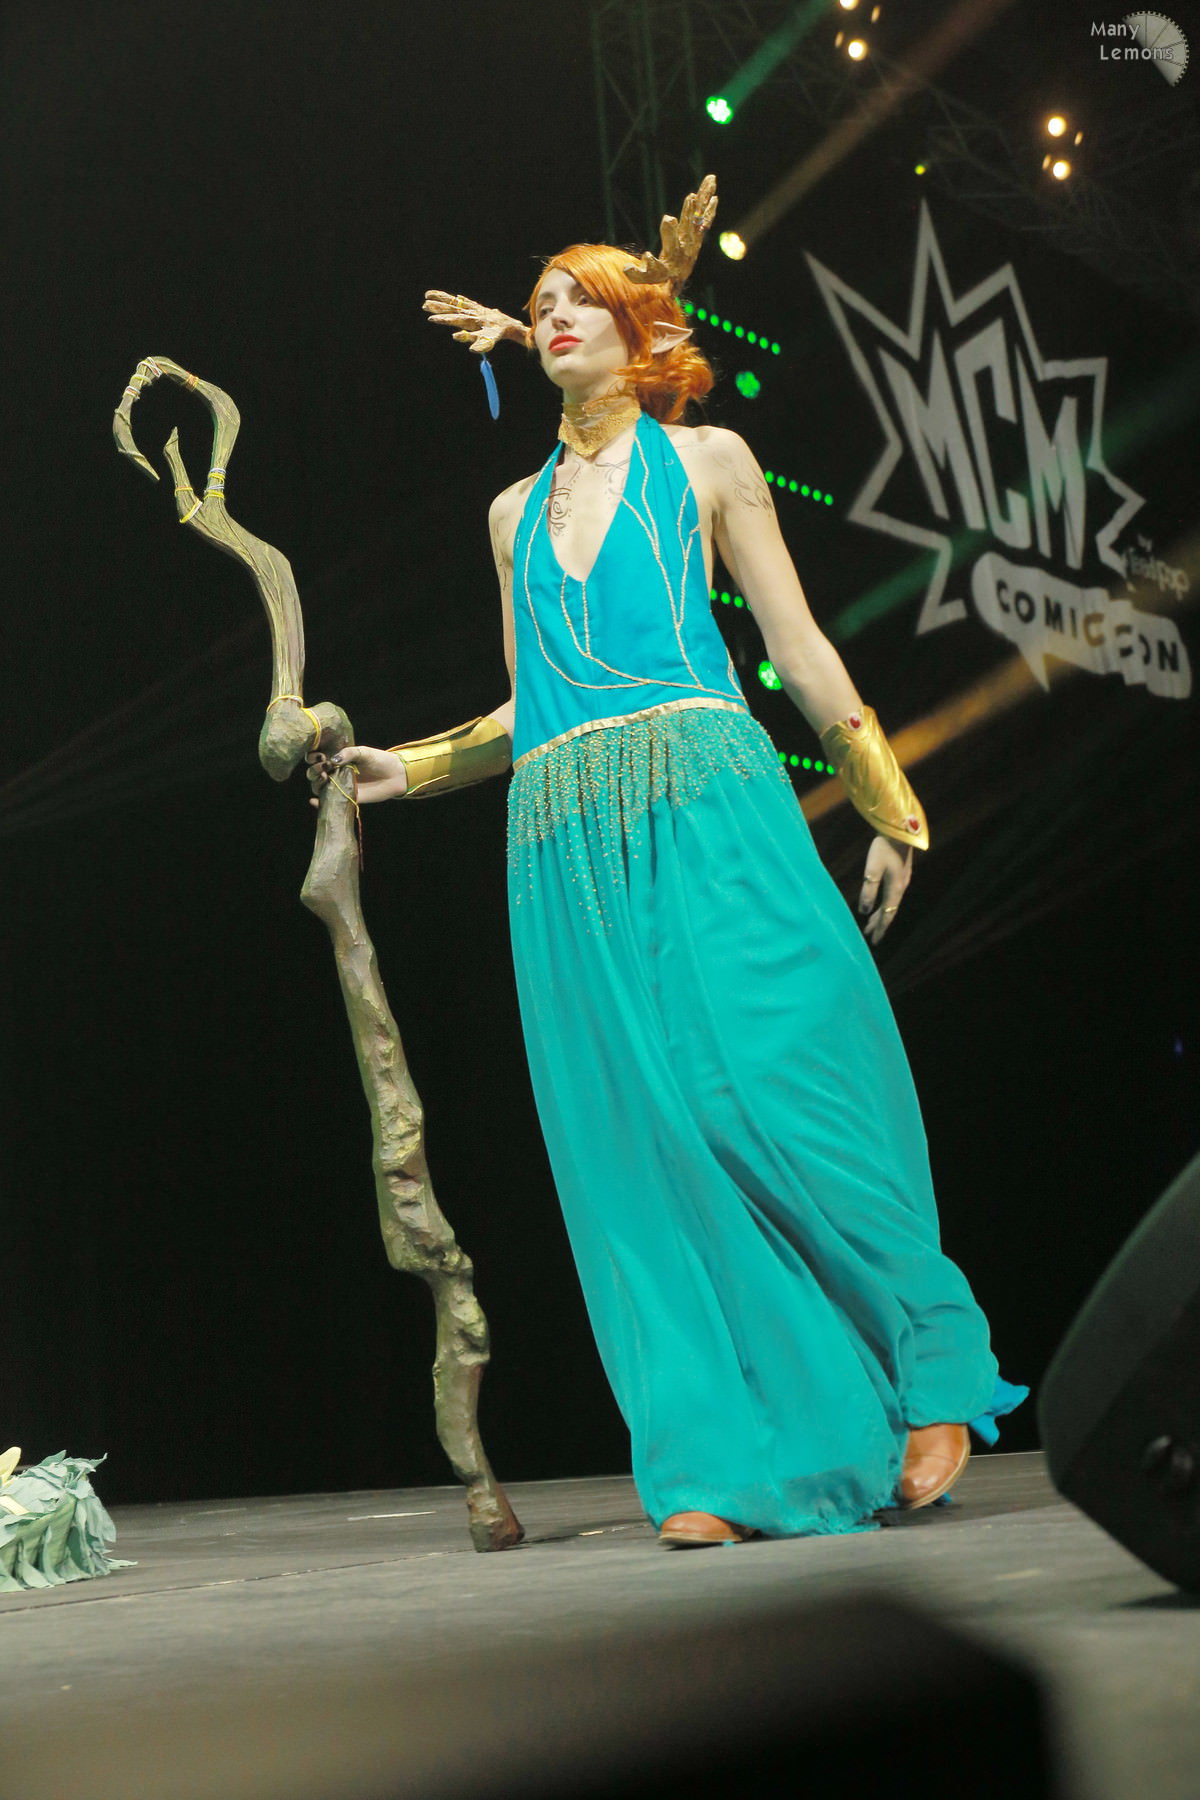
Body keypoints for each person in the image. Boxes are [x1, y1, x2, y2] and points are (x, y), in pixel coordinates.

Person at [312, 179, 1020, 1546]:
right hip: (566, 844)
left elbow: (796, 645)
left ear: (640, 327)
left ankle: (925, 1366)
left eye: (579, 300)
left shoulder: (710, 462)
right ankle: (721, 1456)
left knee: (779, 1090)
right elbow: (532, 703)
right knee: (637, 1146)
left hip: (711, 805)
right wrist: (412, 768)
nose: (552, 318)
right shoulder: (511, 516)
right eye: (541, 305)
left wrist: (890, 804)